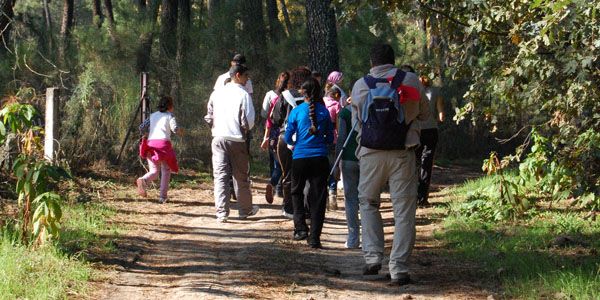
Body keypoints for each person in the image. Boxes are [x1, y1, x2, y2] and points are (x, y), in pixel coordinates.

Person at [351, 43, 429, 285]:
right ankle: (399, 269)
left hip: (370, 154)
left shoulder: (361, 84)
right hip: (402, 153)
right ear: (393, 61)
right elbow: (425, 115)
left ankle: (373, 257)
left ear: (371, 62)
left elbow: (356, 123)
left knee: (368, 202)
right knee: (404, 211)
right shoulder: (411, 81)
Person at [284, 77, 334, 248]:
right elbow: (330, 137)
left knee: (296, 192)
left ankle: (300, 228)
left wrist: (296, 143)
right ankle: (314, 237)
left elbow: (287, 137)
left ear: (303, 94)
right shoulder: (324, 112)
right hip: (320, 158)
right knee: (318, 198)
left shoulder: (297, 112)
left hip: (300, 157)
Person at [208, 64, 259, 223]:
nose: (247, 79)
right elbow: (250, 121)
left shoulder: (216, 94)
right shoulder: (243, 94)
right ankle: (244, 210)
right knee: (240, 176)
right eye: (245, 76)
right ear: (238, 75)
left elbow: (209, 115)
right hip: (236, 139)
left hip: (218, 138)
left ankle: (222, 213)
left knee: (220, 176)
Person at [272, 67, 313, 218]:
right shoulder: (312, 96)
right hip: (307, 138)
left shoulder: (285, 95)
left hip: (286, 139)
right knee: (308, 176)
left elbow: (276, 118)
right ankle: (307, 210)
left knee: (288, 175)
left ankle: (289, 208)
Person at [137, 96, 183, 204]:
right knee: (166, 170)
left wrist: (148, 134)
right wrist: (180, 131)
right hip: (163, 146)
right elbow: (175, 128)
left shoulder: (152, 115)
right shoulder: (170, 115)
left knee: (154, 171)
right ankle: (162, 197)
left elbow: (141, 127)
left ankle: (143, 180)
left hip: (151, 144)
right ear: (170, 106)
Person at [260, 71, 290, 203]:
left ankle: (275, 187)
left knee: (275, 162)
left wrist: (265, 137)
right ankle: (279, 188)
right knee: (285, 164)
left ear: (278, 80)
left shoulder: (271, 97)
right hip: (286, 133)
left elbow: (266, 116)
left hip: (273, 133)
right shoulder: (291, 97)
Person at [335, 96, 360, 249]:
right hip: (367, 158)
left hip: (348, 159)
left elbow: (341, 138)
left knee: (350, 199)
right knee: (366, 199)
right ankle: (370, 239)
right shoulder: (369, 110)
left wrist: (337, 164)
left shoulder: (345, 113)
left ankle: (353, 238)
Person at [416, 74, 444, 206]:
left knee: (414, 163)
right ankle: (423, 198)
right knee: (426, 163)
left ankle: (412, 195)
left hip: (417, 131)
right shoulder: (436, 92)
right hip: (431, 131)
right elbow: (441, 116)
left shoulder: (415, 92)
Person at [323, 86, 342, 210]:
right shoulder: (337, 105)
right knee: (333, 166)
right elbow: (339, 126)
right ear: (335, 95)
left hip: (320, 140)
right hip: (333, 139)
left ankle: (323, 198)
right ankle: (332, 196)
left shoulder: (320, 102)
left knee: (322, 168)